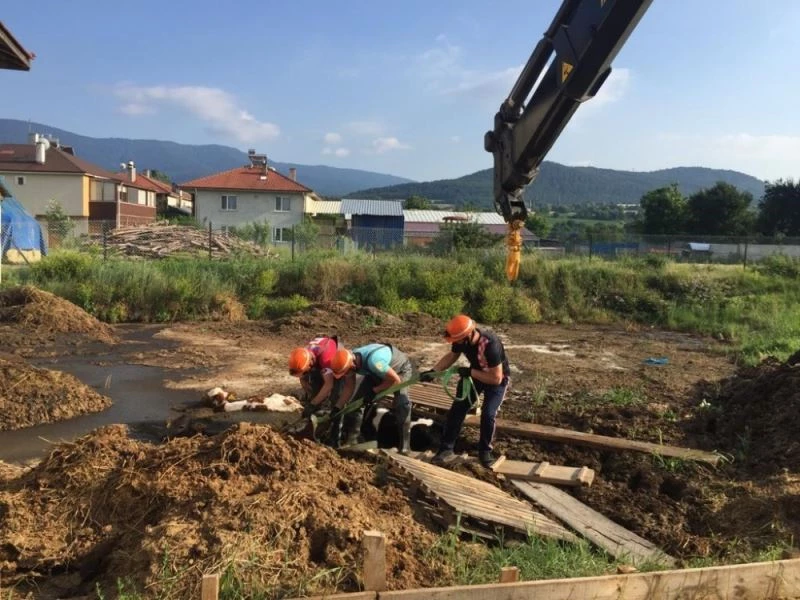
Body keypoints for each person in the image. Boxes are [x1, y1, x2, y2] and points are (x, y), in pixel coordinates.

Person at [420, 315, 510, 467]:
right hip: (474, 375)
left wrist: (470, 372)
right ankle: (446, 449)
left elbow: (496, 379)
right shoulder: (461, 340)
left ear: (468, 335)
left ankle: (485, 452)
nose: (455, 343)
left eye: (457, 340)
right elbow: (452, 355)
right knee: (457, 409)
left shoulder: (490, 344)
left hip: (496, 379)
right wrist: (433, 371)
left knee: (488, 414)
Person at [331, 343, 414, 453]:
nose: (347, 374)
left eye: (346, 372)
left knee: (401, 405)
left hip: (399, 371)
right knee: (357, 403)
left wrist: (375, 390)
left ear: (352, 365)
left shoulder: (375, 362)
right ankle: (352, 441)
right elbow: (348, 388)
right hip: (377, 372)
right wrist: (337, 407)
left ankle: (404, 447)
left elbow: (395, 380)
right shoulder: (350, 360)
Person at [288, 335, 340, 418]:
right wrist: (310, 394)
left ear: (310, 365)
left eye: (304, 373)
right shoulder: (301, 356)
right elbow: (302, 378)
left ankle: (331, 415)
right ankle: (317, 405)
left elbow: (329, 385)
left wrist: (313, 404)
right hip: (317, 357)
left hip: (334, 354)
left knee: (337, 389)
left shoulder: (325, 359)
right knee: (314, 383)